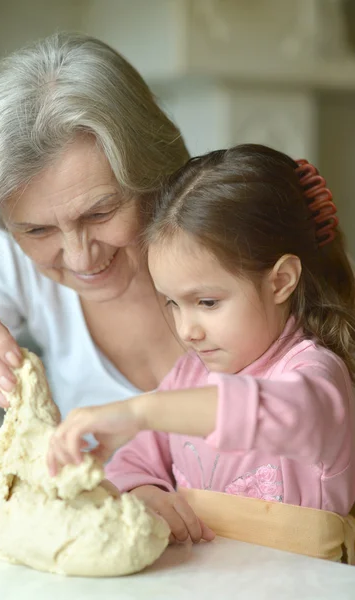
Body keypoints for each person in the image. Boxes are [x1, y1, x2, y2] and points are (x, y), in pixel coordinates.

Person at [47, 144, 355, 547]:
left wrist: (138, 411)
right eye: (172, 303)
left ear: (280, 281)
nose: (186, 329)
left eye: (206, 302)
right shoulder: (189, 376)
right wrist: (144, 491)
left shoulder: (317, 378)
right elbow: (132, 461)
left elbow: (266, 411)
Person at [0, 33, 189, 422]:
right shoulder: (7, 252)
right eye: (37, 231)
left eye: (100, 213)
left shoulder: (235, 234)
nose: (80, 257)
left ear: (155, 174)